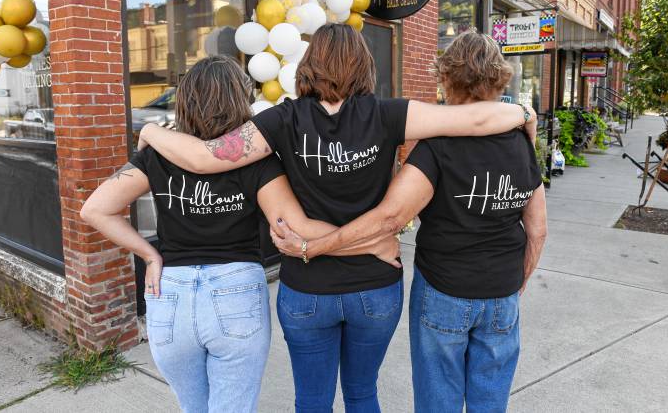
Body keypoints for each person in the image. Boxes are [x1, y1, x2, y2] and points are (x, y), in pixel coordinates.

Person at [136, 24, 538, 412]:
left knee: (312, 402)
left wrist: (153, 133)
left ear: (309, 65)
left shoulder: (282, 120)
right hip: (375, 285)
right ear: (364, 65)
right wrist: (522, 112)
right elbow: (478, 120)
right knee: (363, 395)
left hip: (307, 288)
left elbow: (208, 157)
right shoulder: (387, 114)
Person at [272, 31, 548, 413]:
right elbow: (538, 229)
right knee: (488, 400)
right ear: (499, 79)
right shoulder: (521, 143)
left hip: (445, 290)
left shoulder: (437, 146)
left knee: (437, 400)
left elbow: (390, 218)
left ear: (447, 78)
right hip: (500, 293)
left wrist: (312, 247)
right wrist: (517, 284)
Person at [80, 56, 347, 413]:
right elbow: (294, 225)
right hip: (237, 291)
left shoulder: (158, 156)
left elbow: (95, 209)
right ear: (240, 99)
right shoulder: (257, 160)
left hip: (169, 293)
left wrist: (149, 255)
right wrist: (368, 236)